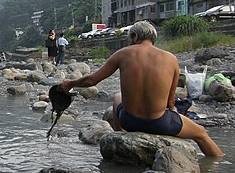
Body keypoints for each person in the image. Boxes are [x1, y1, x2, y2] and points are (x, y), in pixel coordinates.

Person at [58, 20, 223, 157]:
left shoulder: (122, 54)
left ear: (134, 36)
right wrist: (172, 119)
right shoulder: (171, 59)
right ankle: (217, 162)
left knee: (117, 97)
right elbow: (170, 101)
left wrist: (70, 83)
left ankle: (121, 136)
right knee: (201, 133)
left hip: (129, 121)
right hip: (159, 123)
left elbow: (91, 80)